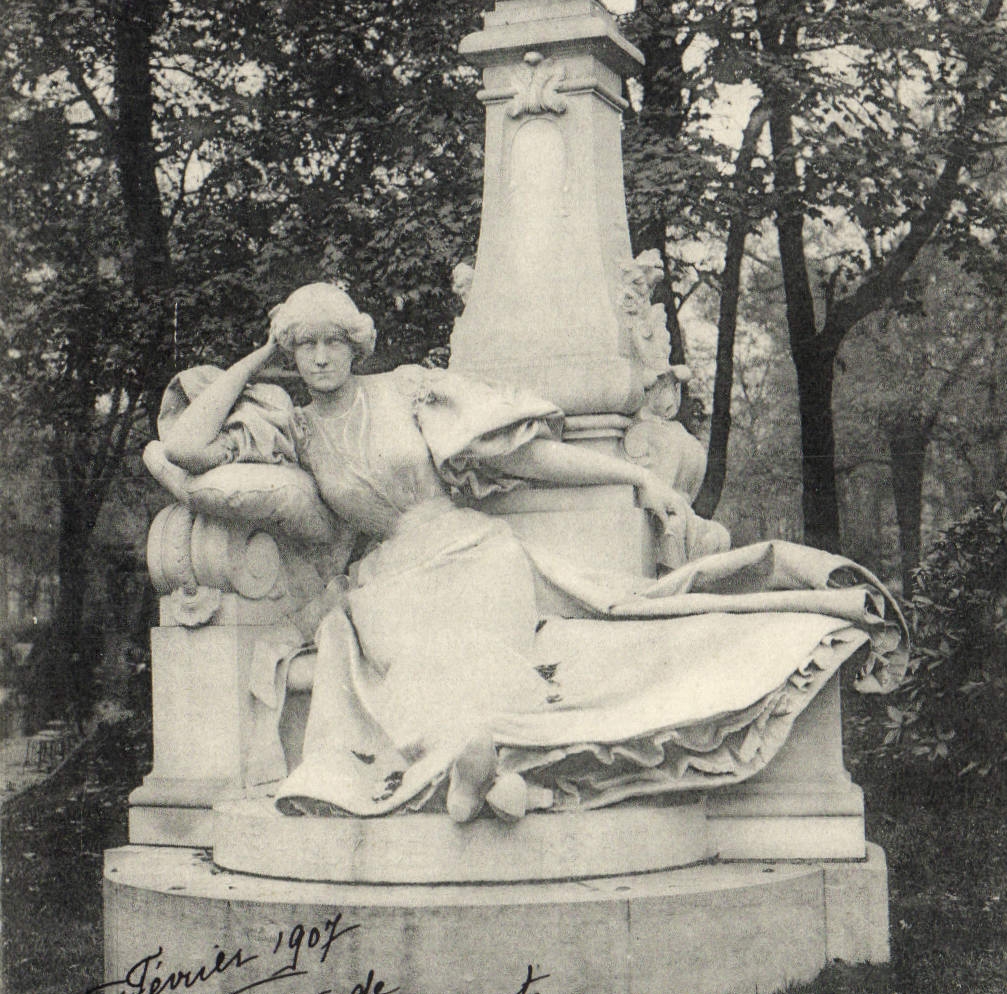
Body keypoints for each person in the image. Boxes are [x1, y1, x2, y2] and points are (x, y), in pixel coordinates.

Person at [155, 283, 905, 825]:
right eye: (303, 344)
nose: (319, 357)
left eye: (331, 341)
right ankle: (482, 774)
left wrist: (636, 475)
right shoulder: (293, 427)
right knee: (416, 659)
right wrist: (258, 358)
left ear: (357, 345)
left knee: (481, 649)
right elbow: (186, 448)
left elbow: (534, 459)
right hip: (385, 577)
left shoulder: (410, 392)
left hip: (474, 552)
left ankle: (480, 772)